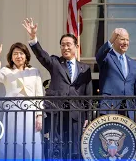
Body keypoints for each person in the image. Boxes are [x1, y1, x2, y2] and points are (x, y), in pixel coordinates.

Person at [22, 18, 92, 159]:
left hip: (76, 114)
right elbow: (42, 56)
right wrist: (33, 38)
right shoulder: (55, 62)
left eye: (68, 45)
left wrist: (88, 116)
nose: (65, 48)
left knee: (75, 147)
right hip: (57, 112)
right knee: (57, 147)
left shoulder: (85, 68)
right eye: (62, 45)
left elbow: (88, 94)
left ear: (76, 47)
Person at [0, 39, 44, 159]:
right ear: (11, 57)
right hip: (12, 112)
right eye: (15, 54)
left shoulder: (34, 72)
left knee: (31, 141)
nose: (18, 56)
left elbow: (39, 94)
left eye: (21, 53)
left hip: (31, 112)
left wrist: (39, 115)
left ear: (26, 56)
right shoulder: (6, 71)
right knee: (13, 140)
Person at [95, 28, 136, 126]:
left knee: (128, 140)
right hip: (110, 107)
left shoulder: (133, 63)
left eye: (127, 40)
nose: (125, 42)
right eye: (122, 39)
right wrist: (110, 40)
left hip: (129, 111)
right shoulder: (107, 57)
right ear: (115, 40)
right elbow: (99, 55)